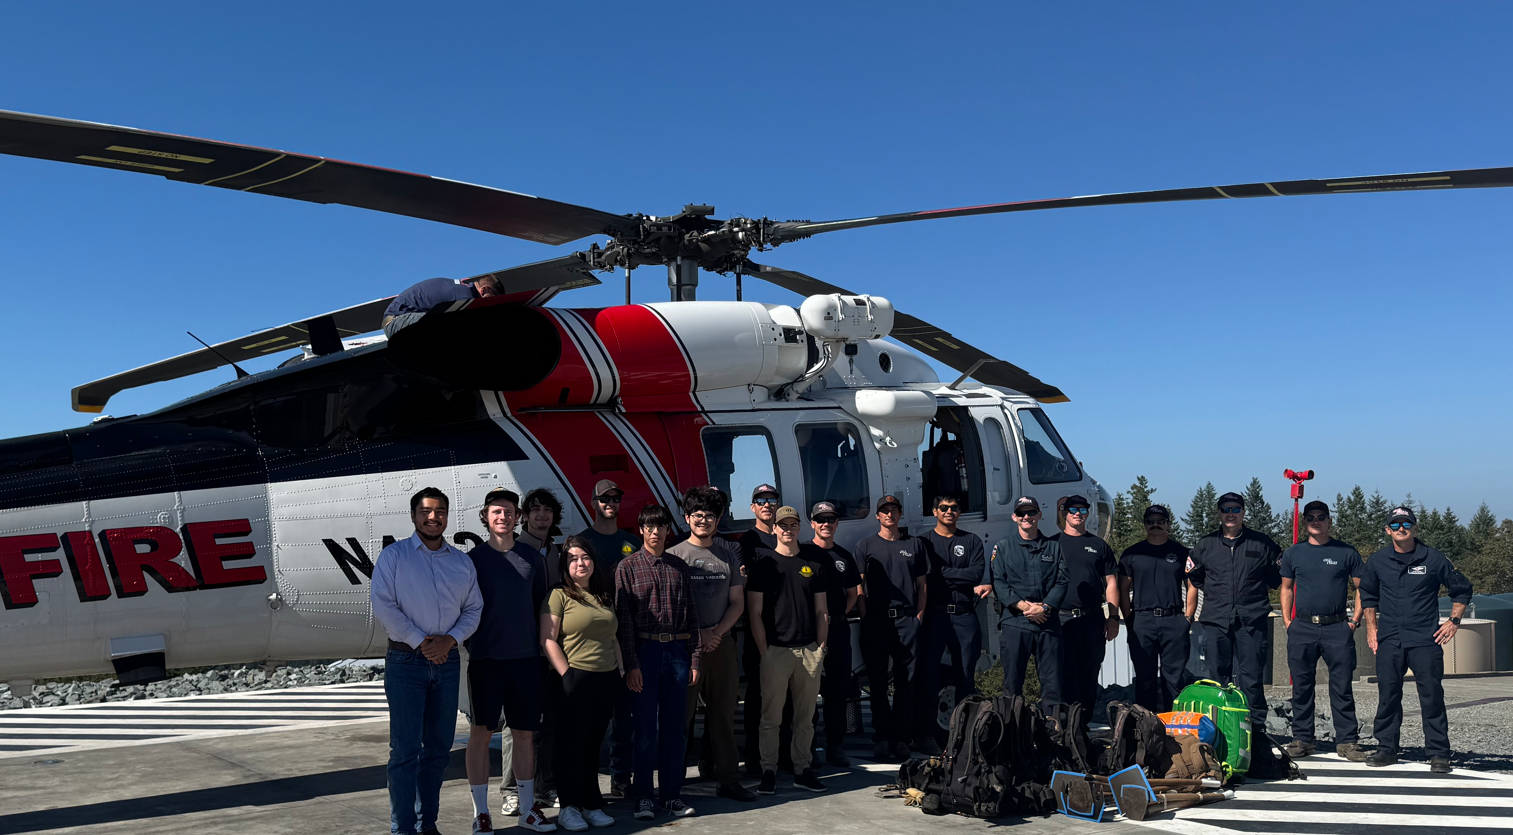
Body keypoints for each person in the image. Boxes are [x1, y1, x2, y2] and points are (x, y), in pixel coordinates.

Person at [370, 487, 483, 835]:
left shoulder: (462, 561)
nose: (433, 517)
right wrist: (422, 642)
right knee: (404, 751)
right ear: (414, 515)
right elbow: (385, 606)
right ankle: (403, 828)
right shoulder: (394, 556)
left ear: (447, 516)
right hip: (406, 663)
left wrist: (450, 640)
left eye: (440, 512)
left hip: (447, 663)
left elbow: (473, 608)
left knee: (437, 751)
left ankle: (427, 825)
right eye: (426, 511)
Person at [462, 488, 554, 834]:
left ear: (519, 518)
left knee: (525, 735)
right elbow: (465, 609)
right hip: (487, 660)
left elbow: (538, 607)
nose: (503, 517)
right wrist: (476, 645)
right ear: (486, 517)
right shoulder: (473, 561)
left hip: (526, 660)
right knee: (481, 735)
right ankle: (480, 813)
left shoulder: (533, 558)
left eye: (509, 512)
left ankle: (529, 809)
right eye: (496, 511)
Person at [1361, 506, 1473, 772]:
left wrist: (1454, 621)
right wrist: (1371, 628)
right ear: (1388, 530)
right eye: (1396, 525)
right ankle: (1386, 748)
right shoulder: (1377, 561)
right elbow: (1368, 596)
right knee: (1388, 695)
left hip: (1425, 639)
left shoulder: (1434, 559)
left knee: (1431, 696)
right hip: (1390, 639)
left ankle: (1438, 753)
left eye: (1407, 524)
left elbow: (1462, 589)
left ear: (1415, 528)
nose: (1402, 529)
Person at [667, 487, 756, 803]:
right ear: (688, 518)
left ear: (718, 519)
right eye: (698, 515)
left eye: (710, 515)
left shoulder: (728, 553)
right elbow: (673, 606)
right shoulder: (675, 556)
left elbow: (737, 602)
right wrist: (699, 635)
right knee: (681, 717)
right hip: (686, 648)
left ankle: (728, 779)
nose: (703, 520)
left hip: (723, 645)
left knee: (724, 716)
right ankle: (671, 783)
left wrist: (717, 632)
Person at [615, 504, 702, 820]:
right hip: (645, 654)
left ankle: (671, 796)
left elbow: (693, 616)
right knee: (645, 731)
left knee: (674, 730)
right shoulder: (627, 568)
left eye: (661, 526)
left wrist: (694, 660)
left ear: (668, 530)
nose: (655, 532)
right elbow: (623, 623)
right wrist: (631, 664)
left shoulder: (680, 567)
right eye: (649, 527)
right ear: (641, 530)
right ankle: (643, 797)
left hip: (678, 654)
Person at [541, 537, 623, 831]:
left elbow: (613, 637)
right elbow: (548, 639)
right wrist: (567, 676)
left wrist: (621, 673)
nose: (580, 563)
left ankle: (591, 803)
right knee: (569, 746)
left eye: (585, 557)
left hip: (607, 678)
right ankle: (569, 807)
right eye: (573, 558)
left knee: (592, 745)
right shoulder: (559, 595)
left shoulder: (603, 596)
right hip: (574, 677)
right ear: (565, 564)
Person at [748, 505, 830, 794]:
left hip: (808, 652)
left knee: (805, 718)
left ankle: (802, 769)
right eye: (782, 525)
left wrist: (820, 649)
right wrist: (764, 651)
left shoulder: (814, 564)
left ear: (799, 528)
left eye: (792, 524)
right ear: (774, 529)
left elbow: (822, 610)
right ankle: (768, 770)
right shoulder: (763, 564)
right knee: (771, 717)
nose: (787, 529)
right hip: (776, 652)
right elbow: (754, 613)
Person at [1278, 501, 1368, 761]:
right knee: (1302, 687)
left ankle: (1347, 742)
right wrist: (1288, 621)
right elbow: (1285, 588)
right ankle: (1302, 739)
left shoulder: (1346, 552)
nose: (1315, 521)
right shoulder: (1294, 553)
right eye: (1310, 518)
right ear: (1305, 522)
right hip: (1302, 627)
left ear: (1329, 521)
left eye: (1320, 517)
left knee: (1341, 687)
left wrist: (1355, 620)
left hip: (1337, 628)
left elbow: (1362, 587)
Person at [1185, 491, 1281, 728]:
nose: (1230, 514)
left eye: (1235, 509)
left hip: (1252, 620)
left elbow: (1277, 578)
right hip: (1216, 620)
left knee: (1252, 679)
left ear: (1243, 512)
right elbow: (1194, 578)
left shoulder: (1262, 543)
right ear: (1219, 513)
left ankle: (1255, 730)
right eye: (1226, 509)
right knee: (1218, 679)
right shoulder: (1205, 545)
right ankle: (1222, 728)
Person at [573, 479, 642, 798]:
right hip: (593, 641)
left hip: (627, 637)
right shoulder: (583, 542)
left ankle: (620, 777)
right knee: (588, 718)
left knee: (623, 717)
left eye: (616, 497)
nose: (610, 503)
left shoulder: (632, 541)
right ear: (593, 502)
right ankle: (582, 780)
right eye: (604, 498)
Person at [856, 494, 928, 762]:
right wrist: (864, 614)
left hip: (906, 620)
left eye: (894, 510)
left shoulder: (914, 545)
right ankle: (882, 736)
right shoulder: (865, 546)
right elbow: (859, 585)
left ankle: (900, 738)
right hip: (876, 620)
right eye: (884, 511)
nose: (889, 514)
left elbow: (922, 585)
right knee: (876, 681)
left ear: (900, 514)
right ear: (877, 516)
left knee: (905, 681)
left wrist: (918, 616)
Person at [918, 494, 985, 752]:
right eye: (944, 508)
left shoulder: (971, 541)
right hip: (935, 616)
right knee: (928, 677)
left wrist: (943, 573)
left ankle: (966, 738)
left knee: (966, 677)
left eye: (954, 507)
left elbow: (975, 574)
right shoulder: (924, 541)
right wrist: (956, 576)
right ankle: (926, 736)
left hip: (965, 615)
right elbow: (927, 578)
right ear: (934, 511)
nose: (949, 511)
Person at [990, 497, 1067, 706]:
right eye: (1022, 513)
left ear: (1039, 515)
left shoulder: (1054, 548)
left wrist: (1043, 607)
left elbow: (1062, 581)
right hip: (1015, 622)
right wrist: (1025, 607)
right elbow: (999, 583)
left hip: (1047, 622)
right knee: (1012, 682)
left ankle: (1053, 730)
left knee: (1052, 683)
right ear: (1014, 517)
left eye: (1031, 512)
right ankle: (1013, 730)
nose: (1027, 517)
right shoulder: (1003, 548)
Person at [1117, 504, 1193, 712]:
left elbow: (1192, 585)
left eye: (1160, 521)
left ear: (1168, 524)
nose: (1155, 525)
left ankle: (1175, 728)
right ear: (1145, 525)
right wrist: (1128, 617)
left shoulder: (1182, 552)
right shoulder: (1131, 554)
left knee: (1175, 679)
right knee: (1144, 678)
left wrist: (1188, 617)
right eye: (1150, 522)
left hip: (1174, 620)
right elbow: (1123, 588)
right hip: (1142, 621)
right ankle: (1146, 727)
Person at [1052, 494, 1119, 723]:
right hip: (1061, 620)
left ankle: (1084, 726)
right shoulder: (1052, 544)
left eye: (1082, 510)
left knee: (1089, 674)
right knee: (1064, 674)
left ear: (1088, 513)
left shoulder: (1099, 545)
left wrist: (1113, 617)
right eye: (1072, 510)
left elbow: (1111, 583)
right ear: (1065, 513)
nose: (1077, 514)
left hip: (1092, 619)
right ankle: (1066, 726)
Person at [807, 501, 862, 767]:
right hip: (807, 631)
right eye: (821, 520)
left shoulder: (844, 556)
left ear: (837, 524)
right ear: (812, 524)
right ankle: (808, 748)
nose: (826, 524)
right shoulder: (804, 554)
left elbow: (853, 593)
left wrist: (836, 614)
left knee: (837, 690)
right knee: (807, 690)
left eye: (830, 520)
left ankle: (835, 746)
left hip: (838, 630)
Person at [736, 483, 781, 775]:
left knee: (785, 696)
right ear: (752, 507)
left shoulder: (785, 537)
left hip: (787, 627)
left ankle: (784, 754)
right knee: (757, 694)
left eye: (771, 500)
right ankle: (753, 755)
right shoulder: (746, 542)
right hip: (758, 626)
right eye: (761, 500)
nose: (767, 504)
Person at [382, 274, 503, 337]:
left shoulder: (460, 289)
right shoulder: (464, 296)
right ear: (484, 290)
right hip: (398, 321)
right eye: (494, 298)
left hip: (401, 320)